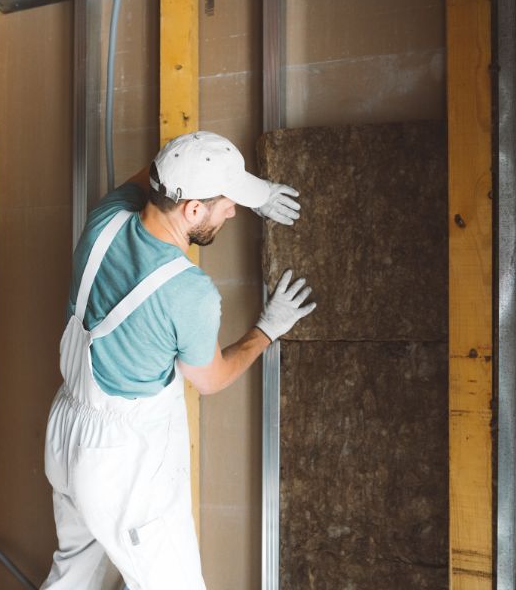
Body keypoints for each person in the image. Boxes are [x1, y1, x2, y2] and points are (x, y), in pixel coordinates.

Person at [41, 131, 316, 589]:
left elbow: (155, 171)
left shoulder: (105, 219)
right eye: (228, 203)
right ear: (192, 210)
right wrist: (267, 329)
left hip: (66, 435)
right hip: (120, 463)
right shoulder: (188, 292)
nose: (233, 211)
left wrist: (256, 193)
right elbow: (210, 379)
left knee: (72, 578)